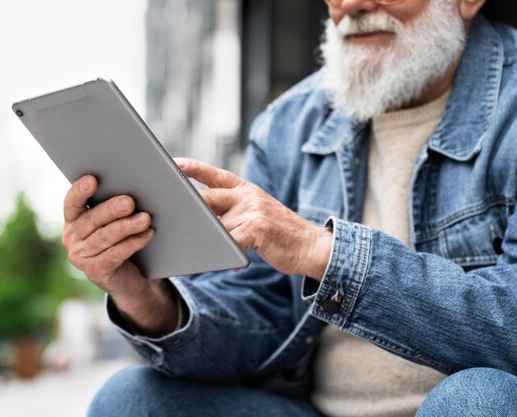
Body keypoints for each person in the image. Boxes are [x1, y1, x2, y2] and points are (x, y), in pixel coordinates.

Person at [62, 0, 517, 415]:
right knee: (128, 399)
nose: (352, 6)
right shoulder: (287, 124)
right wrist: (144, 297)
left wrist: (325, 254)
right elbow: (256, 322)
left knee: (477, 400)